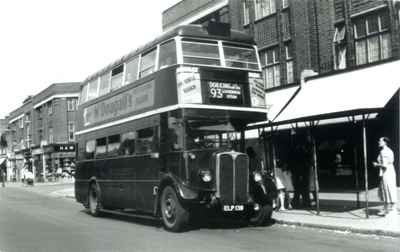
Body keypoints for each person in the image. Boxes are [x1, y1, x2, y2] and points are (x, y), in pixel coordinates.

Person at [373, 137, 398, 216]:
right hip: (390, 171)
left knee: (387, 188)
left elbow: (384, 165)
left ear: (385, 142)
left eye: (380, 141)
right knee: (388, 188)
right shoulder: (389, 150)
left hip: (387, 172)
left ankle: (390, 209)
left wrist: (376, 164)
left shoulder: (384, 152)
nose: (378, 142)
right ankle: (389, 208)